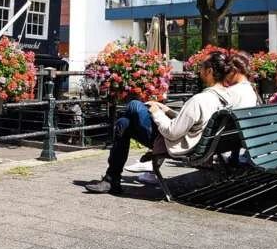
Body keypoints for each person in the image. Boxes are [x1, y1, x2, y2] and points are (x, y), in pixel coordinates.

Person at [85, 50, 257, 194]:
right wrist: (167, 110)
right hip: (199, 142)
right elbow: (194, 120)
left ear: (210, 71)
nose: (199, 71)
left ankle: (112, 179)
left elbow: (172, 132)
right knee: (124, 123)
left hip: (178, 145)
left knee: (135, 106)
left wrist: (156, 113)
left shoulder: (201, 99)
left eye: (201, 67)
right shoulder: (227, 97)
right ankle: (111, 179)